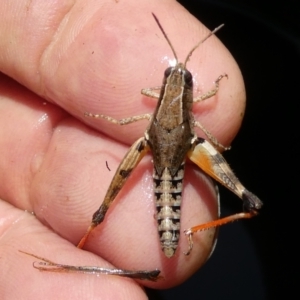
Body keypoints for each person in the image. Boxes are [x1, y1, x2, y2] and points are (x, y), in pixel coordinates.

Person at [0, 1, 245, 298]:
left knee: (248, 199)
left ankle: (187, 230)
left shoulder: (156, 101)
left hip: (175, 144)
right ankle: (175, 231)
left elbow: (145, 96)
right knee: (106, 206)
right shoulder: (189, 107)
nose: (178, 76)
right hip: (172, 145)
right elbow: (202, 102)